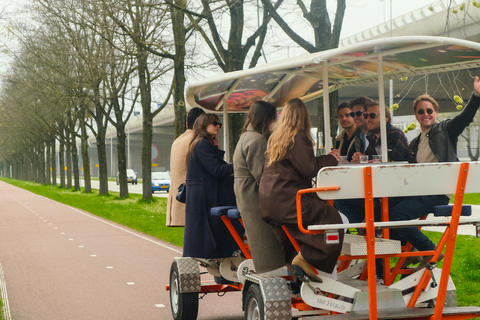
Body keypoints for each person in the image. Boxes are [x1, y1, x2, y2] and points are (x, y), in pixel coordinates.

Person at [389, 76, 480, 270]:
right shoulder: (414, 144)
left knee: (395, 216)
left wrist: (476, 96)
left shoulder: (446, 130)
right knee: (381, 209)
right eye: (421, 111)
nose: (425, 114)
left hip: (437, 193)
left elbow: (465, 118)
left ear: (435, 112)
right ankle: (410, 251)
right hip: (418, 191)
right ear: (416, 115)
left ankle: (429, 250)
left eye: (429, 110)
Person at [259, 98, 344, 283]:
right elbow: (308, 168)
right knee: (334, 221)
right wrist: (331, 158)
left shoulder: (276, 137)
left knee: (294, 237)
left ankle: (297, 273)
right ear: (304, 116)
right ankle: (306, 259)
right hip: (290, 200)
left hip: (272, 201)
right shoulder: (298, 136)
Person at [233, 101, 285, 274]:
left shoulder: (246, 137)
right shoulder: (257, 141)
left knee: (261, 242)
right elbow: (265, 177)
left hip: (246, 197)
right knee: (267, 247)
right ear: (267, 118)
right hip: (255, 201)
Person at [183, 113, 240, 259]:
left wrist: (217, 149)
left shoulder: (200, 143)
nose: (218, 126)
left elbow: (211, 166)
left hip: (202, 194)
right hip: (205, 196)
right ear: (203, 124)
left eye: (219, 124)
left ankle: (220, 258)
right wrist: (240, 166)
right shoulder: (202, 144)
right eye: (214, 123)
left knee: (211, 232)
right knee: (220, 227)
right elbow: (217, 170)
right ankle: (224, 256)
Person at [166, 107, 205, 227]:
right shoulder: (198, 141)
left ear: (187, 124)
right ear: (202, 123)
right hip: (193, 199)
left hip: (178, 198)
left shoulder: (177, 141)